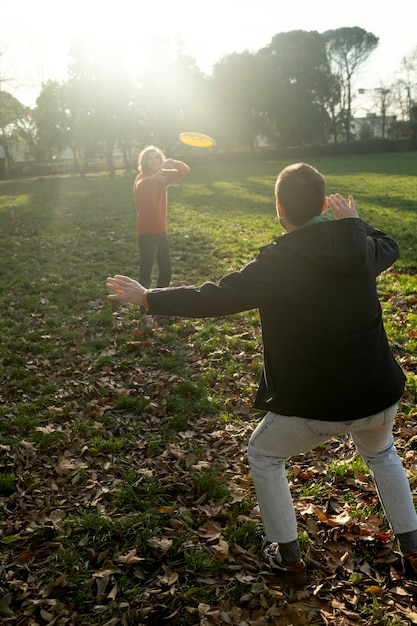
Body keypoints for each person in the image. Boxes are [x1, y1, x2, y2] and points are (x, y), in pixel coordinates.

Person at [107, 162, 417, 585]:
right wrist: (354, 223)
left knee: (264, 454)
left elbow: (213, 297)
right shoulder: (359, 245)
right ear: (326, 205)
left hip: (317, 405)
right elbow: (389, 244)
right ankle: (413, 546)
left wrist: (147, 297)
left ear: (278, 209)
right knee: (382, 453)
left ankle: (287, 554)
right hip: (379, 394)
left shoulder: (279, 260)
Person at [133, 145, 190, 326]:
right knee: (146, 274)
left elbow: (185, 170)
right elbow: (141, 186)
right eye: (151, 159)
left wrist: (173, 162)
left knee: (166, 270)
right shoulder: (141, 179)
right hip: (147, 234)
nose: (155, 162)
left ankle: (157, 305)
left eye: (157, 158)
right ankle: (145, 313)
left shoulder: (163, 178)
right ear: (144, 162)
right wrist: (153, 179)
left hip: (161, 232)